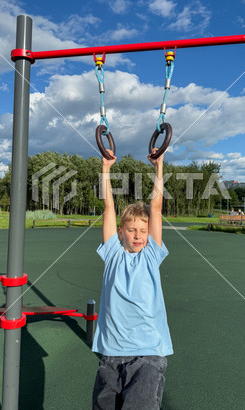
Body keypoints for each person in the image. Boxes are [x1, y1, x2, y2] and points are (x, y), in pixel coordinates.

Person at [92, 148, 173, 410]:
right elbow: (108, 205)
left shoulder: (151, 256)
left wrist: (158, 167)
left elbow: (156, 207)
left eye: (143, 230)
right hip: (111, 355)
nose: (138, 235)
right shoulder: (113, 253)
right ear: (120, 232)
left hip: (147, 354)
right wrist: (106, 168)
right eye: (131, 230)